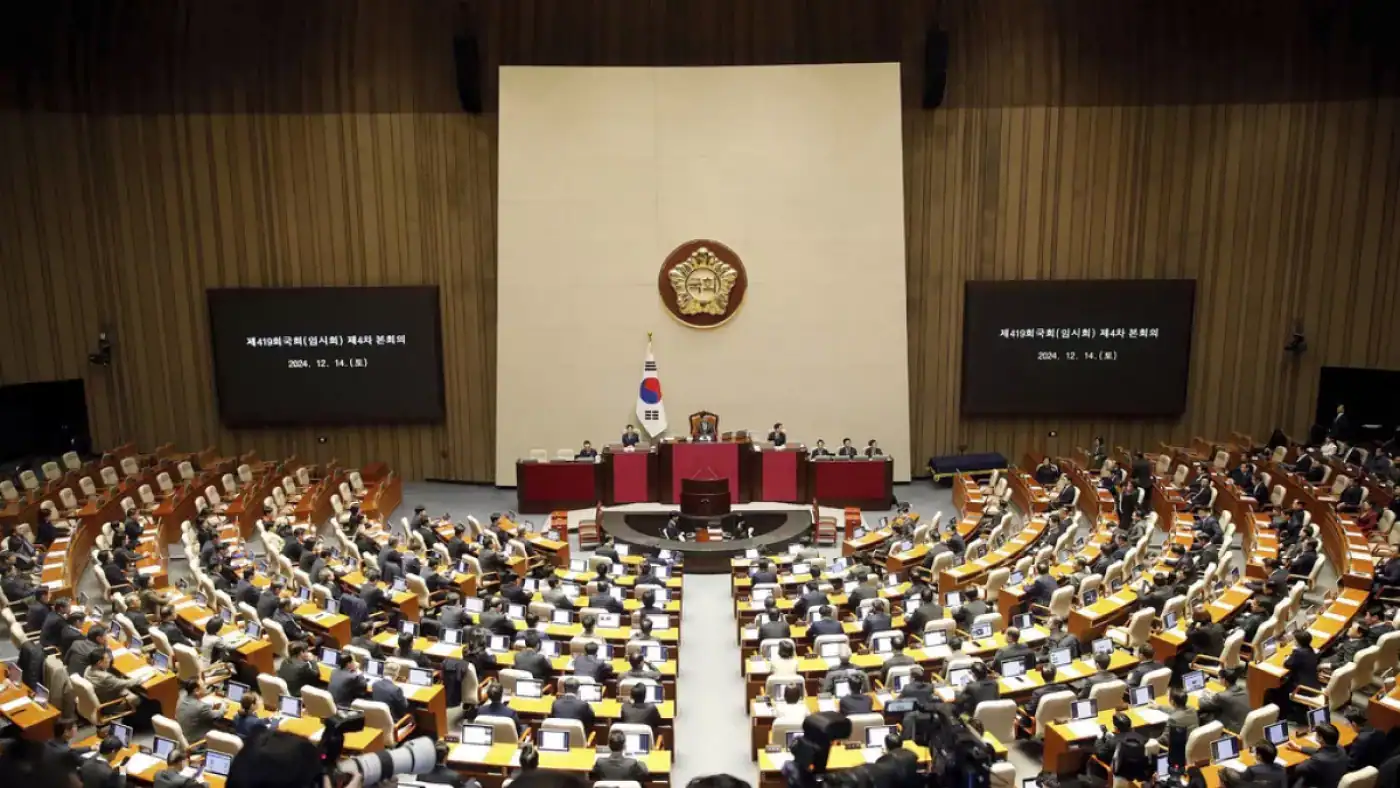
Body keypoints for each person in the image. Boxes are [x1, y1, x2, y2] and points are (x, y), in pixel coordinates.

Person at [1289, 723, 1347, 788]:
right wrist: (1299, 748)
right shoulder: (1341, 748)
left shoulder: (1318, 759)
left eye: (1316, 734)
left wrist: (1308, 761)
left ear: (1321, 738)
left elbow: (1298, 769)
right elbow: (1320, 751)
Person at [1197, 668, 1250, 732]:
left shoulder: (1222, 696)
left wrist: (1200, 695)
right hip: (1246, 725)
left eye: (1219, 677)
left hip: (1234, 729)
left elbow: (1202, 705)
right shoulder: (1245, 690)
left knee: (1204, 714)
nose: (1218, 679)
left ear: (1224, 680)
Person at [176, 679, 226, 743]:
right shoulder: (201, 707)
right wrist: (224, 705)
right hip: (197, 741)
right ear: (196, 690)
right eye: (204, 686)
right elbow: (218, 715)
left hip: (184, 735)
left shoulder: (181, 696)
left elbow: (197, 709)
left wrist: (210, 707)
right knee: (225, 727)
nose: (206, 688)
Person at [1110, 712, 1151, 783]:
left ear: (1116, 729)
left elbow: (1103, 755)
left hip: (1122, 779)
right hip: (1141, 776)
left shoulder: (1113, 742)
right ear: (1131, 726)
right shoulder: (1143, 739)